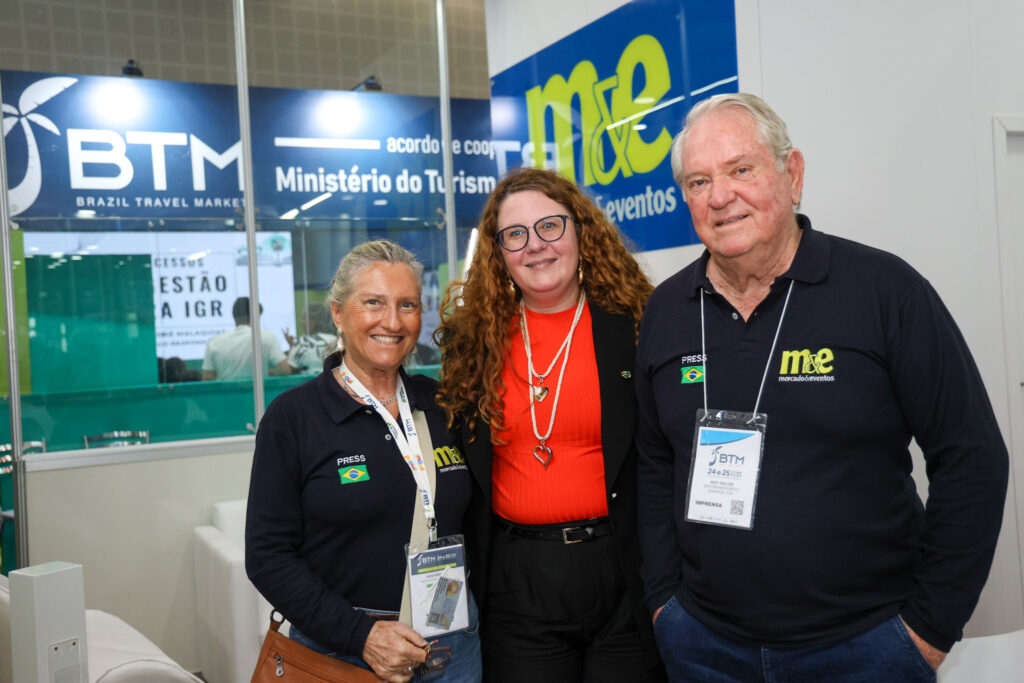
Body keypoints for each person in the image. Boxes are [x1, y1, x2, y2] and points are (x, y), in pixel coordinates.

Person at [635, 92, 1009, 682]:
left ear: (793, 173)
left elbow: (974, 458)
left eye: (741, 169)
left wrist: (928, 630)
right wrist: (665, 604)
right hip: (704, 647)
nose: (720, 196)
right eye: (699, 181)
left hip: (868, 647)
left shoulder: (885, 291)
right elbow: (655, 465)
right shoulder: (667, 311)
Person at [436, 167, 664, 682]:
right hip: (517, 582)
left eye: (550, 227)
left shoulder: (634, 326)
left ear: (581, 230)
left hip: (623, 574)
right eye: (515, 235)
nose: (535, 246)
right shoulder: (472, 344)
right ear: (498, 252)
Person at [245, 240, 481, 683]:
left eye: (407, 304)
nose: (391, 322)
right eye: (373, 302)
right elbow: (267, 556)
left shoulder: (443, 404)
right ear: (337, 313)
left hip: (453, 641)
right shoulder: (295, 418)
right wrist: (362, 635)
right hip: (343, 649)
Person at [201, 296, 291, 380]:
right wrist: (268, 373)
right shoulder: (266, 337)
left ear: (234, 316)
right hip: (258, 395)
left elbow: (207, 378)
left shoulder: (214, 343)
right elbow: (285, 370)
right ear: (256, 316)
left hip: (226, 396)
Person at [284, 302, 337, 373]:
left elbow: (288, 370)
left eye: (304, 319)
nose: (302, 323)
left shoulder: (304, 342)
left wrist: (293, 347)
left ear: (313, 321)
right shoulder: (337, 341)